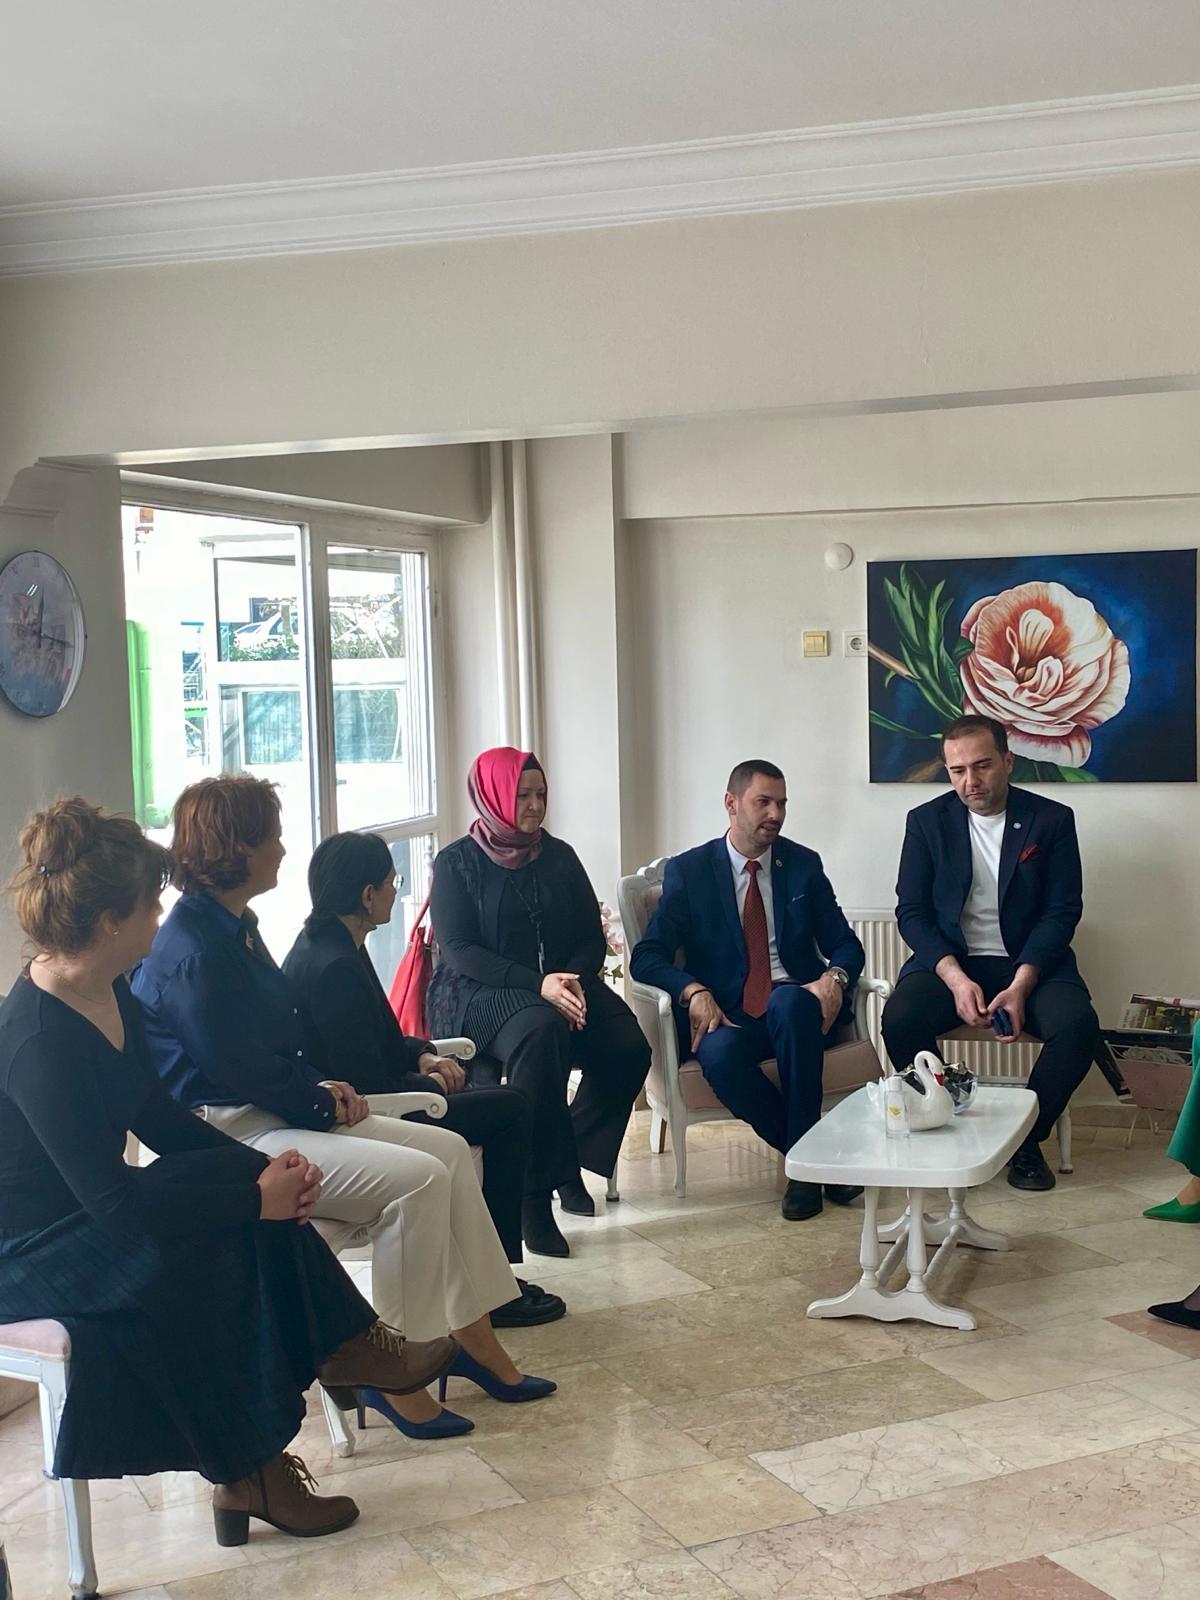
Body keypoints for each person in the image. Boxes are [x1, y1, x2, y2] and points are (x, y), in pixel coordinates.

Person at [0, 797, 457, 1546]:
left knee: (244, 1201)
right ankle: (257, 1462)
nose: (160, 918)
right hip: (28, 1249)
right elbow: (117, 1204)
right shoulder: (37, 1039)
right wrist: (253, 1200)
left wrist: (265, 1170)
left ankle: (339, 1355)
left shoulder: (108, 990)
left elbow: (160, 1120)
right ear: (109, 922)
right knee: (214, 1245)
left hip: (90, 1209)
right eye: (150, 906)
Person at [131, 776, 554, 1444]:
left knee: (446, 1150)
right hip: (233, 1137)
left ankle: (471, 1335)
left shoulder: (233, 927)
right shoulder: (193, 947)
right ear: (236, 847)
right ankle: (397, 1371)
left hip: (271, 1113)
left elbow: (271, 1043)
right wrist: (318, 1098)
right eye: (272, 836)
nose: (282, 848)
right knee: (419, 1181)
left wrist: (320, 1086)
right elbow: (231, 1067)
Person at [282, 830, 565, 1329]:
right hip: (365, 1118)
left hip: (381, 1092)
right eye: (392, 883)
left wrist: (426, 1055)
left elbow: (382, 1038)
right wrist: (431, 1085)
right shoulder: (335, 968)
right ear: (366, 895)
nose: (397, 892)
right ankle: (493, 1288)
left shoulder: (333, 943)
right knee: (511, 1109)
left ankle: (488, 1277)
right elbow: (366, 1081)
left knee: (500, 1102)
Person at [427, 748, 650, 1259]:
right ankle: (530, 1197)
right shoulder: (456, 862)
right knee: (541, 1032)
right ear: (493, 796)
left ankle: (563, 1156)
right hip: (476, 993)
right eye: (522, 795)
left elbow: (590, 937)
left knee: (627, 1046)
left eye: (541, 794)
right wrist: (539, 984)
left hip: (557, 986)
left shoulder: (559, 856)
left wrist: (571, 979)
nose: (534, 805)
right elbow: (459, 950)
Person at [629, 759, 866, 1221]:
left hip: (796, 1012)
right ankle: (814, 1161)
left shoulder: (802, 865)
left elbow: (845, 944)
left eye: (782, 804)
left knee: (790, 1001)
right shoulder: (691, 872)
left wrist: (835, 978)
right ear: (731, 803)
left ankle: (803, 1179)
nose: (775, 814)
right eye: (763, 802)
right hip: (728, 1012)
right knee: (718, 1055)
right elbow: (648, 956)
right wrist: (693, 990)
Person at [881, 714, 1101, 1192]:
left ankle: (1026, 1141)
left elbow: (1062, 911)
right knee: (899, 1019)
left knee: (1078, 1027)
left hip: (1031, 961)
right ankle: (940, 1116)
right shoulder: (926, 822)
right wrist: (955, 978)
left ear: (1007, 760)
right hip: (952, 961)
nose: (970, 781)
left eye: (981, 766)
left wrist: (1021, 984)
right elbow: (912, 911)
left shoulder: (1051, 820)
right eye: (957, 770)